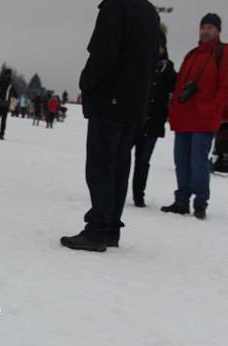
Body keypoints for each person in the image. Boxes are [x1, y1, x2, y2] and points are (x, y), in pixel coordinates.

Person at [60, 0, 160, 252]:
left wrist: (87, 83)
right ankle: (111, 228)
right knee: (119, 166)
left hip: (110, 100)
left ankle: (97, 231)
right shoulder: (149, 11)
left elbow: (104, 52)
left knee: (101, 166)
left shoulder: (116, 7)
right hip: (134, 104)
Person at [161, 13, 228, 219]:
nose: (205, 30)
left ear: (218, 31)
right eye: (203, 27)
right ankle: (181, 201)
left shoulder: (225, 53)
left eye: (210, 27)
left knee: (198, 161)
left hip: (204, 119)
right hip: (185, 117)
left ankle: (200, 203)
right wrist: (174, 109)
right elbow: (179, 88)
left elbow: (227, 86)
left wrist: (213, 108)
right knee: (181, 160)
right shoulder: (192, 55)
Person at [131, 30, 176, 206]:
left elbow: (174, 89)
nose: (157, 49)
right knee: (122, 157)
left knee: (143, 161)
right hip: (134, 120)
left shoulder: (168, 69)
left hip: (153, 124)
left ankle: (138, 195)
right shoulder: (139, 64)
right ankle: (116, 190)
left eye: (160, 46)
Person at [0, 69, 17, 139]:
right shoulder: (10, 85)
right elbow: (15, 95)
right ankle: (1, 134)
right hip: (5, 104)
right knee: (3, 120)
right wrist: (12, 106)